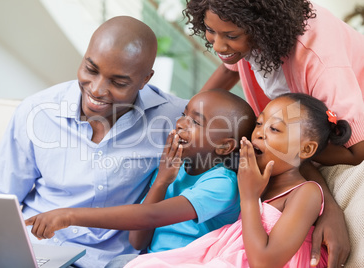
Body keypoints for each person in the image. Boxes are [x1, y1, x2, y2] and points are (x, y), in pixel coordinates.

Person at [0, 16, 188, 267]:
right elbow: (1, 195)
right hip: (41, 251)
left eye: (119, 82)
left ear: (146, 79)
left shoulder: (175, 120)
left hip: (117, 260)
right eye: (91, 70)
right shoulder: (37, 111)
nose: (98, 90)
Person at [183, 0, 364, 266]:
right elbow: (227, 68)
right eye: (210, 31)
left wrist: (330, 208)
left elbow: (355, 151)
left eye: (231, 36)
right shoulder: (246, 32)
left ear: (262, 25)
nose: (218, 46)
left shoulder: (318, 57)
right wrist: (189, 116)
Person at [24, 89, 256, 267]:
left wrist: (69, 215)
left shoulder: (223, 184)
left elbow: (149, 216)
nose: (181, 123)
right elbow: (137, 241)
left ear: (225, 146)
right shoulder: (173, 168)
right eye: (184, 114)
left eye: (196, 122)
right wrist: (162, 180)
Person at [123, 93, 352, 268]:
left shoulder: (305, 193)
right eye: (260, 124)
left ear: (306, 149)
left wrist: (250, 197)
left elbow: (264, 262)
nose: (259, 134)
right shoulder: (250, 179)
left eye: (274, 129)